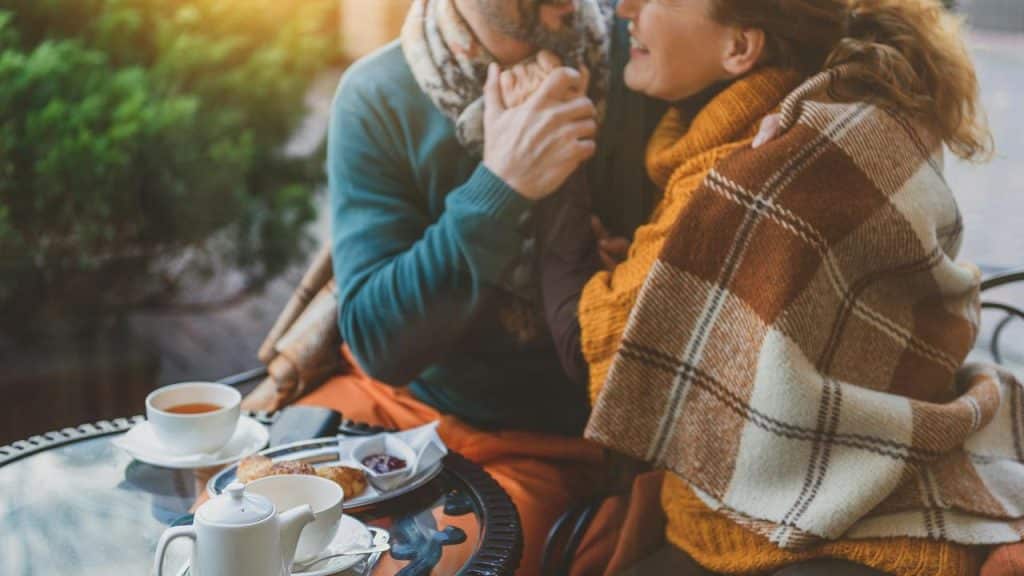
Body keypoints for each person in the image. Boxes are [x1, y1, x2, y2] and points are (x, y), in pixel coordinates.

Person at [533, 0, 1024, 574]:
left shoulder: (750, 173)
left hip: (806, 521)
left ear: (740, 47)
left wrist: (548, 171)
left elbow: (595, 352)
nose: (625, 10)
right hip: (905, 434)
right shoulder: (844, 101)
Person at [249, 1, 667, 574]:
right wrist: (503, 186)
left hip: (545, 446)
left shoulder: (649, 56)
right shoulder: (377, 93)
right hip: (392, 408)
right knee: (231, 529)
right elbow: (380, 344)